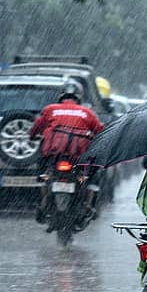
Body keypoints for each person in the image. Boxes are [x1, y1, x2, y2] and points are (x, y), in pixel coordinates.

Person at [30, 80, 104, 223]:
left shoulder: (50, 109)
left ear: (61, 96)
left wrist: (33, 136)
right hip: (78, 157)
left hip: (53, 155)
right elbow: (100, 132)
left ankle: (44, 200)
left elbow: (35, 129)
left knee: (43, 175)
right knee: (90, 177)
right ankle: (88, 205)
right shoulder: (87, 112)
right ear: (78, 97)